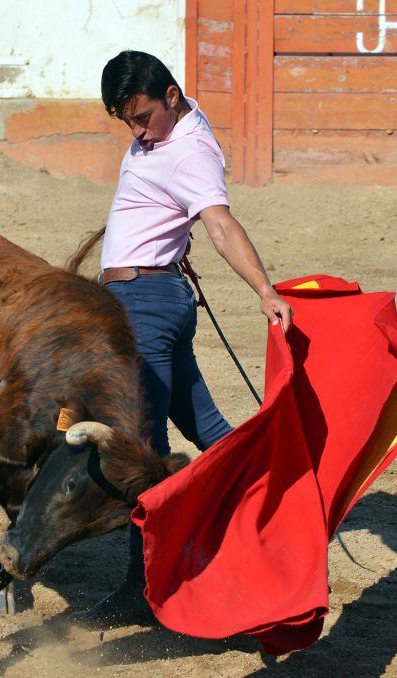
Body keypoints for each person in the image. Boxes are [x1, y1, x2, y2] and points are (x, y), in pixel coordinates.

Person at [69, 50, 292, 627]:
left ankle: (141, 589)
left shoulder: (189, 150)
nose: (136, 131)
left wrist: (264, 289)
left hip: (146, 305)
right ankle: (274, 511)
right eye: (126, 122)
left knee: (139, 451)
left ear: (171, 95)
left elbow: (219, 223)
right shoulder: (171, 129)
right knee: (210, 433)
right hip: (151, 298)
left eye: (141, 117)